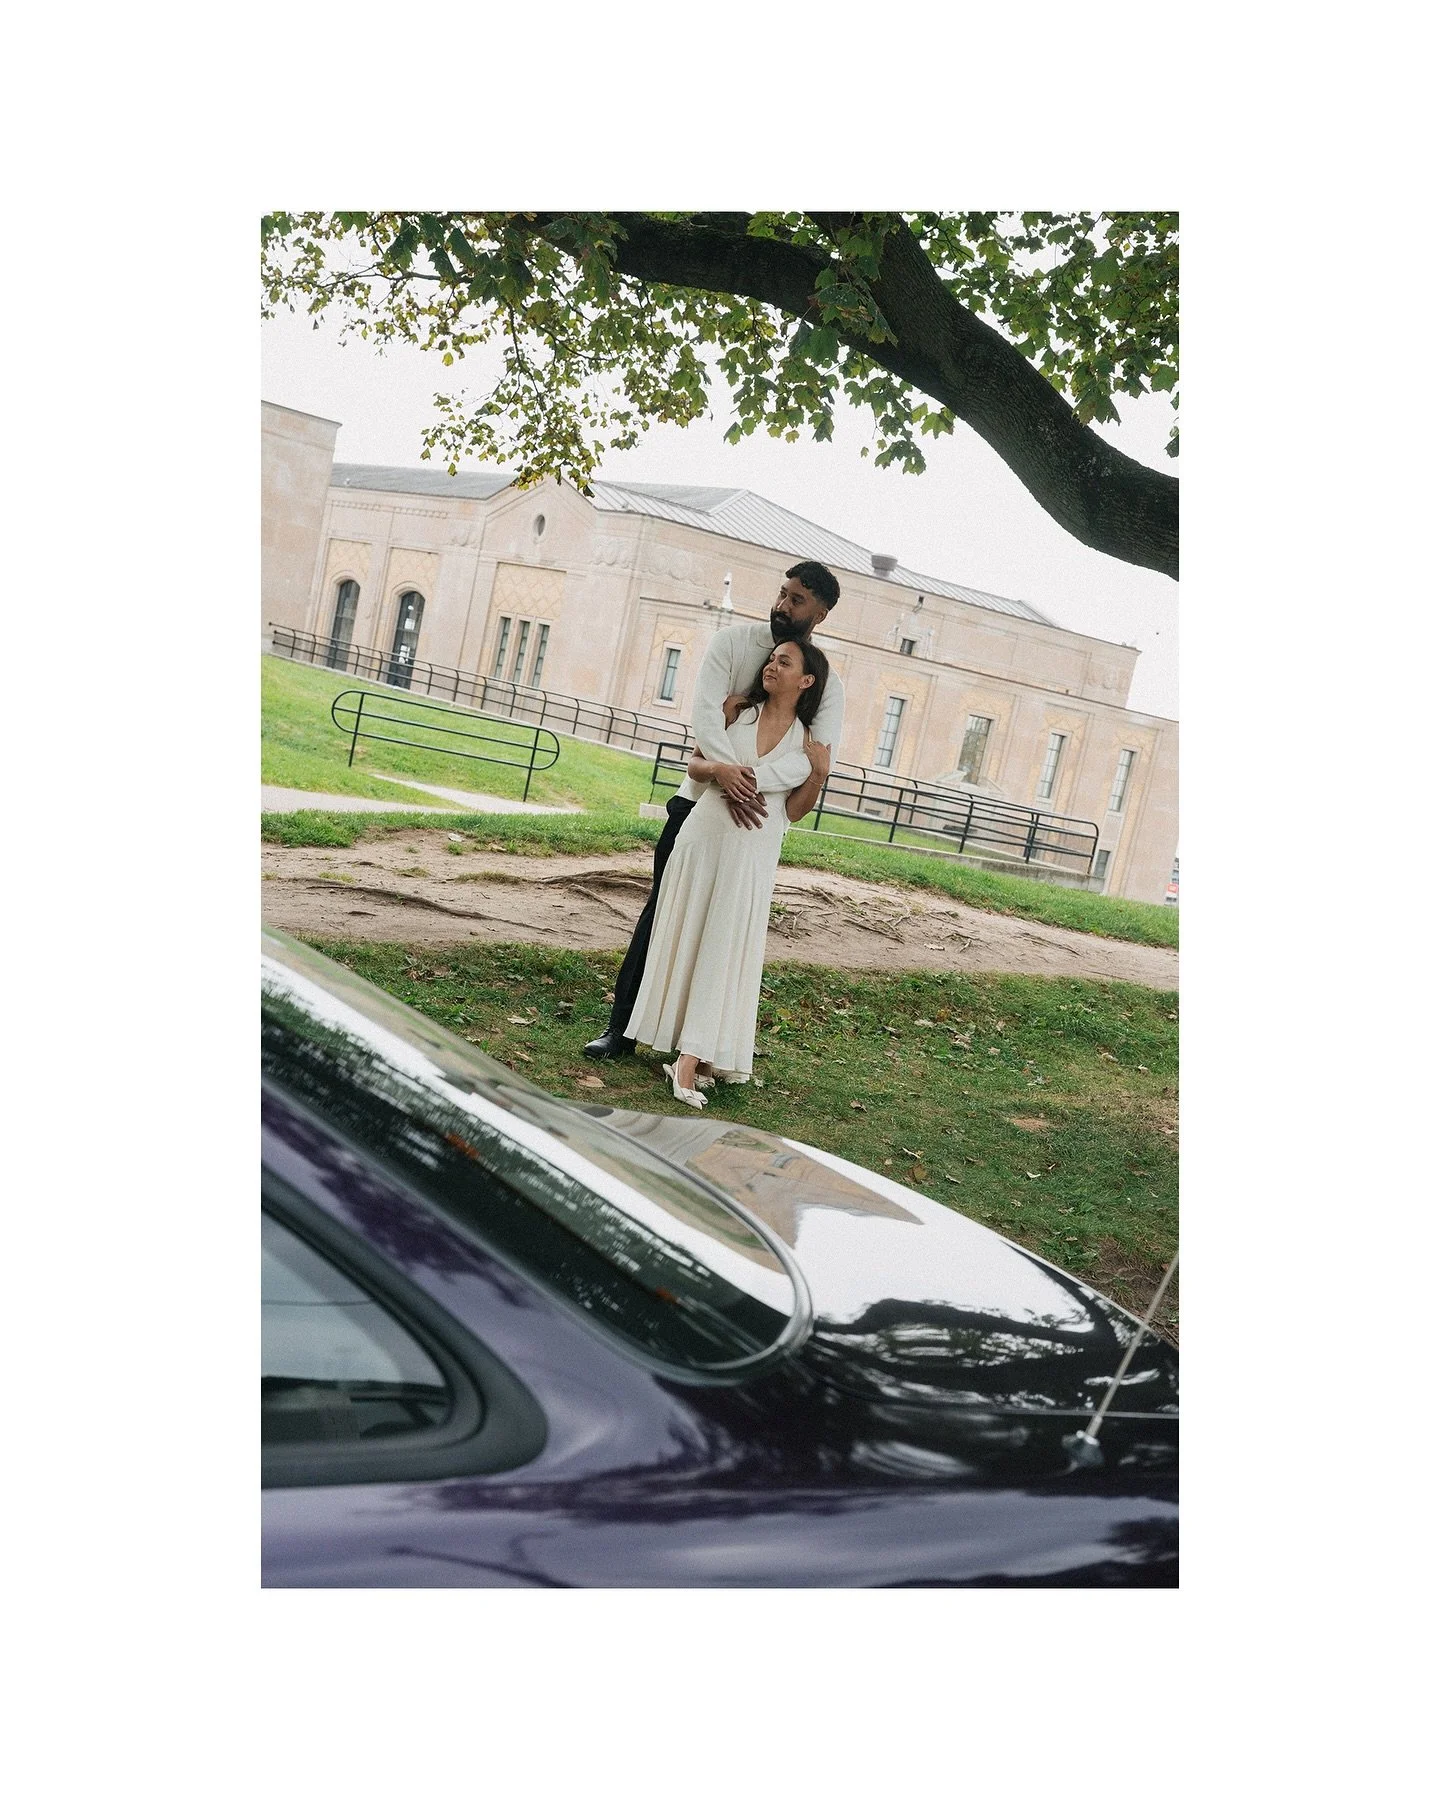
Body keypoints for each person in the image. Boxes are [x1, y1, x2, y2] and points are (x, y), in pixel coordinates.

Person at [583, 559, 846, 1060]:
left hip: (755, 824)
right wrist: (724, 774)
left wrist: (746, 786)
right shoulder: (730, 644)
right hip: (695, 807)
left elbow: (815, 753)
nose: (782, 606)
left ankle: (695, 1042)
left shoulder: (826, 683)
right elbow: (705, 717)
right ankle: (623, 1029)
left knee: (724, 929)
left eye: (797, 600)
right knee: (662, 914)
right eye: (782, 593)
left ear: (821, 613)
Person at [625, 636, 831, 1106]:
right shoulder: (737, 711)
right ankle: (687, 1053)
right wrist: (723, 772)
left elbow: (794, 812)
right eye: (771, 659)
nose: (772, 667)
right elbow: (695, 765)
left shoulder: (807, 744)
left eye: (785, 662)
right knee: (693, 937)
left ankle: (701, 1053)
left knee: (727, 944)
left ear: (806, 681)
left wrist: (817, 775)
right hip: (705, 837)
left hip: (754, 851)